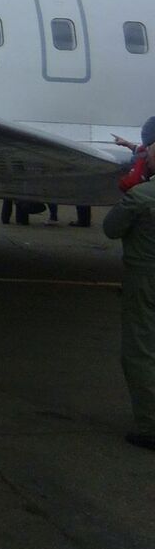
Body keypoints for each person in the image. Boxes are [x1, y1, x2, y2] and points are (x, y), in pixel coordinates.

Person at [103, 144, 155, 449]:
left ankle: (150, 425)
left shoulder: (142, 196)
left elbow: (111, 229)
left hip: (146, 279)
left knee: (141, 351)